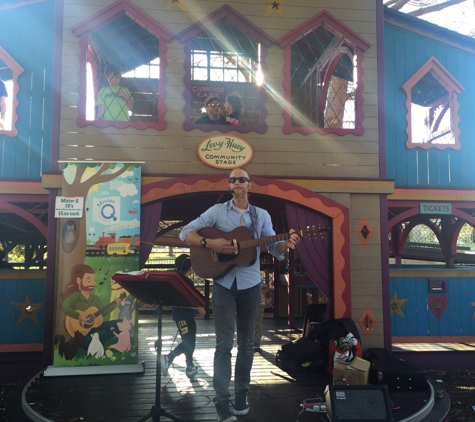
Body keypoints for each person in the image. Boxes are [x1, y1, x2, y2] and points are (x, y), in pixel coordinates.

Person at [179, 167, 300, 422]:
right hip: (223, 284)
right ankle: (222, 401)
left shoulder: (261, 215)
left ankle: (241, 394)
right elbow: (186, 232)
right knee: (223, 345)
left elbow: (272, 246)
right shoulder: (217, 212)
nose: (237, 183)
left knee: (246, 344)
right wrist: (209, 243)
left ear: (249, 185)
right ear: (229, 186)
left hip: (251, 285)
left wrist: (285, 244)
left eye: (241, 179)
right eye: (232, 180)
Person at [160, 254, 206, 380]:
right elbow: (191, 298)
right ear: (190, 267)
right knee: (189, 342)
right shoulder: (186, 281)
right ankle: (169, 357)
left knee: (190, 341)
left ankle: (190, 366)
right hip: (184, 315)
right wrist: (200, 309)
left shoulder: (175, 279)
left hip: (183, 315)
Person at [252, 280, 269, 353]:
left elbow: (266, 288)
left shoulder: (256, 276)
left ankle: (256, 342)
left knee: (257, 324)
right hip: (245, 304)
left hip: (258, 304)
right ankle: (248, 342)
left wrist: (255, 290)